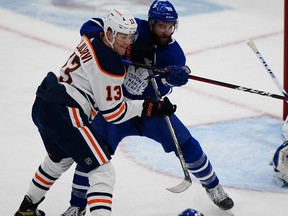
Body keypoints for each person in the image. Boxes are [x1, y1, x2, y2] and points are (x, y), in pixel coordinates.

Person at [61, 1, 234, 215]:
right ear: (150, 23)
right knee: (92, 153)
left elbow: (161, 91)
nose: (166, 31)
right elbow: (88, 28)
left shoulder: (174, 55)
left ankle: (213, 186)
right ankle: (77, 205)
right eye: (161, 26)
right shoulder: (132, 29)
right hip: (117, 106)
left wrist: (170, 80)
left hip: (149, 109)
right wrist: (130, 52)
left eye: (170, 26)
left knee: (187, 143)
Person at [14, 8, 177, 216]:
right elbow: (113, 113)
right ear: (109, 33)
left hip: (45, 104)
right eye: (123, 37)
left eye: (131, 37)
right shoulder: (110, 66)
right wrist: (148, 107)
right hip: (66, 112)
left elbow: (92, 21)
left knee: (58, 161)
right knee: (103, 172)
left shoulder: (93, 34)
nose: (128, 42)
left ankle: (25, 210)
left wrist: (129, 50)